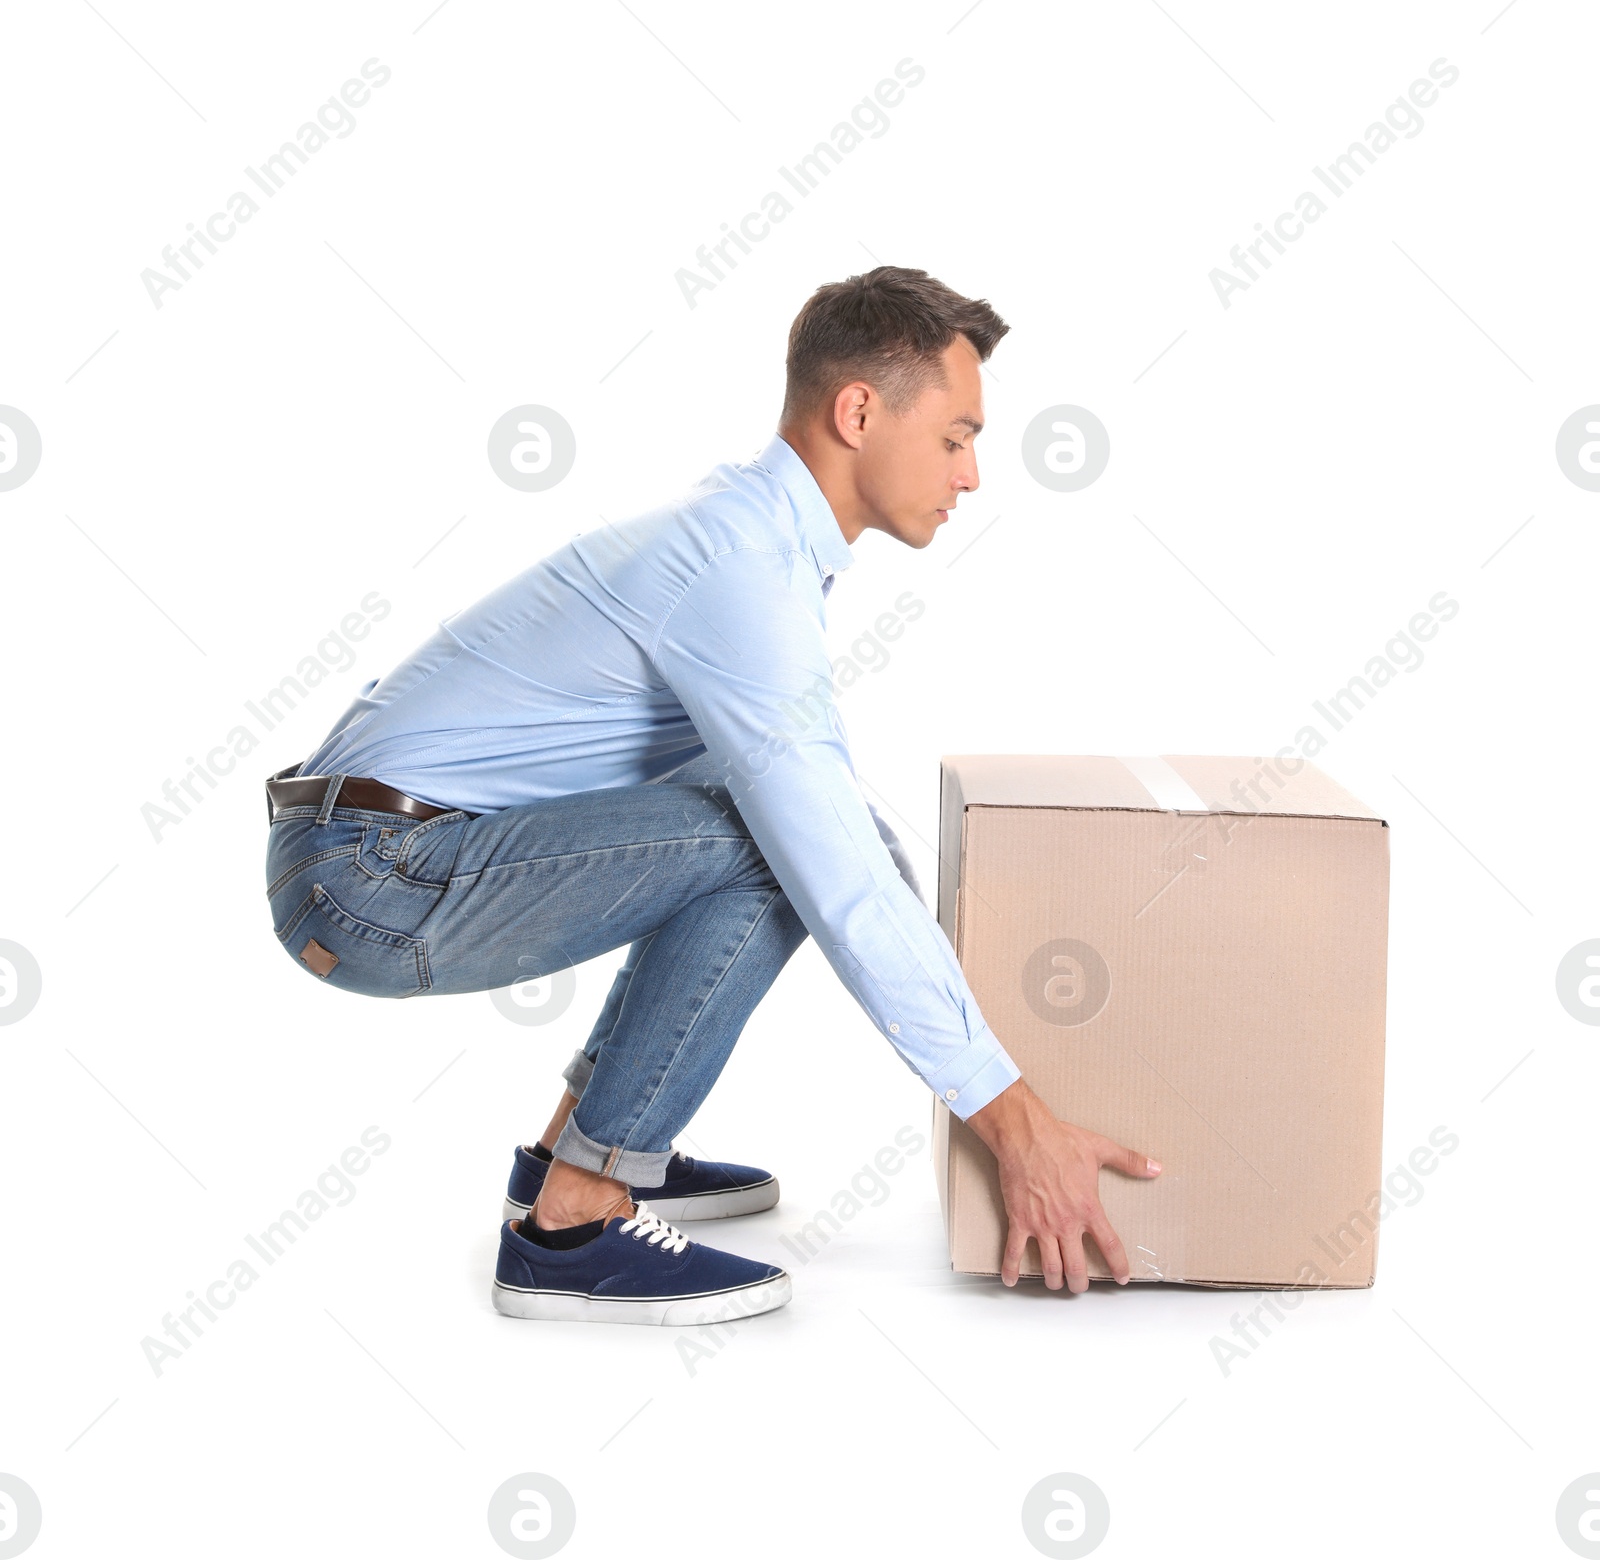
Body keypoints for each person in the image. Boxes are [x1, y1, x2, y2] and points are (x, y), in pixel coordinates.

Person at [262, 266, 1160, 1327]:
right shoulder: (738, 568)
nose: (970, 474)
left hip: (385, 851)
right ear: (858, 410)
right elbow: (836, 874)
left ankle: (580, 1150)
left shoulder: (749, 539)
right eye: (957, 435)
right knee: (782, 842)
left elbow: (847, 844)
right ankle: (573, 1223)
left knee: (792, 828)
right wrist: (1014, 1122)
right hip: (371, 876)